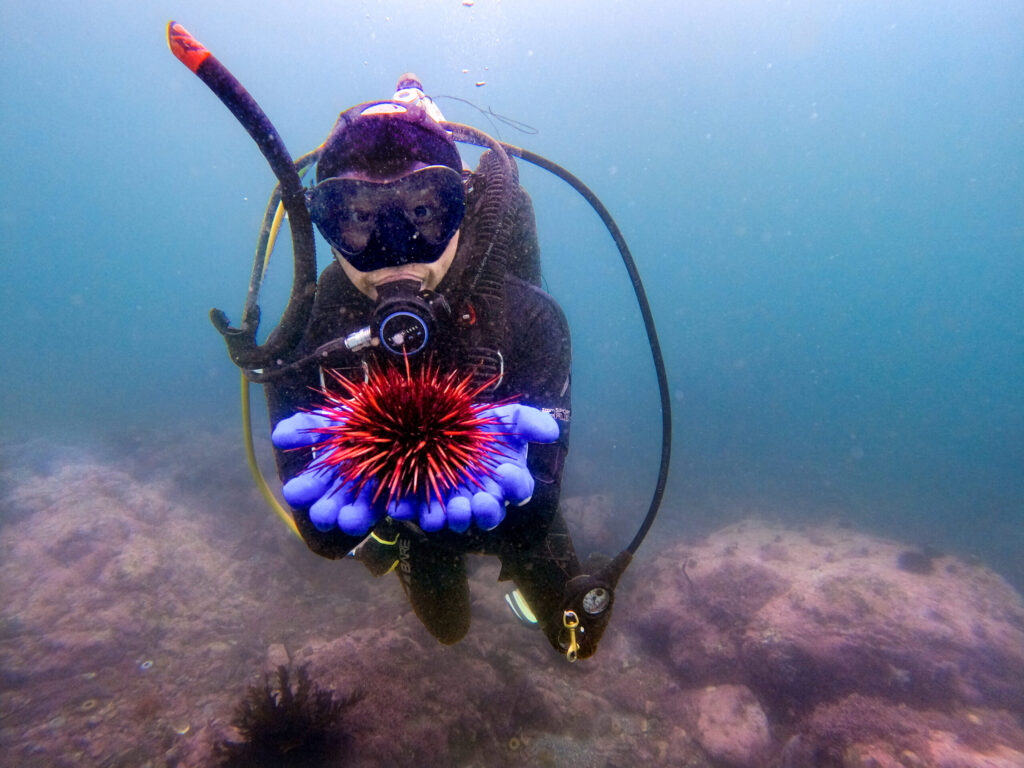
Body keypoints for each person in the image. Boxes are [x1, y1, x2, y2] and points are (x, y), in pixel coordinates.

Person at [264, 76, 606, 658]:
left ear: (461, 209)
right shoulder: (309, 331)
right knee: (449, 630)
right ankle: (410, 548)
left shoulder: (530, 319)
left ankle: (518, 592)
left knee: (575, 638)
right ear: (323, 226)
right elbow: (322, 535)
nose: (395, 250)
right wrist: (390, 522)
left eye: (424, 212)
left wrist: (524, 502)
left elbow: (537, 512)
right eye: (358, 217)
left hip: (503, 496)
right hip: (395, 517)